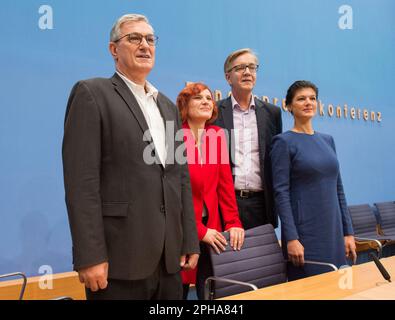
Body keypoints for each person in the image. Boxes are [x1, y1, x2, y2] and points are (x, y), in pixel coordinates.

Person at [62, 13, 200, 300]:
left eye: (150, 39)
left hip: (170, 260)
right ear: (114, 49)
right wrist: (89, 256)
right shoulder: (92, 93)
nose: (144, 45)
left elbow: (179, 177)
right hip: (118, 261)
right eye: (134, 38)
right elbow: (81, 183)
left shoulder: (168, 106)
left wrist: (188, 239)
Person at [270, 80, 357, 281]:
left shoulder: (328, 140)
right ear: (289, 106)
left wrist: (348, 232)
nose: (308, 102)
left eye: (312, 98)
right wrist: (291, 238)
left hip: (334, 232)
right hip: (305, 235)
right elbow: (280, 193)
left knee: (339, 288)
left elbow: (339, 189)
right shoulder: (283, 142)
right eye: (301, 99)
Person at [176, 82, 245, 300]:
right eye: (198, 98)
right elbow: (172, 193)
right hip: (183, 230)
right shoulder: (175, 136)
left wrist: (233, 222)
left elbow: (224, 185)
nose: (206, 101)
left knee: (210, 291)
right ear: (185, 106)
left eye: (208, 98)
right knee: (178, 291)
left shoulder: (216, 135)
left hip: (212, 229)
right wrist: (198, 230)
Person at [215, 48, 283, 230]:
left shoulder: (272, 113)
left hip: (261, 204)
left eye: (252, 68)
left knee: (260, 258)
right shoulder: (213, 112)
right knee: (228, 258)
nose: (247, 72)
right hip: (224, 203)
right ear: (228, 77)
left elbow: (276, 160)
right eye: (240, 68)